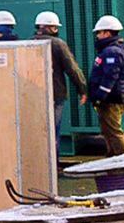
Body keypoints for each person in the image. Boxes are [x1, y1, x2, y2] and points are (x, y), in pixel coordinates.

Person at [32, 11, 87, 146]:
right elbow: (72, 69)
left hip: (34, 93)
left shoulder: (29, 43)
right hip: (56, 94)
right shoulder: (58, 44)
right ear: (52, 28)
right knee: (53, 131)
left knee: (38, 131)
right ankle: (53, 163)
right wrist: (83, 90)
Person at [87, 15, 124, 156]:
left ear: (107, 33)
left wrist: (100, 96)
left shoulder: (112, 52)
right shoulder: (112, 50)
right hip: (111, 97)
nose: (98, 36)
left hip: (111, 99)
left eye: (99, 33)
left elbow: (110, 77)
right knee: (108, 130)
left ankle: (122, 161)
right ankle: (113, 157)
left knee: (114, 131)